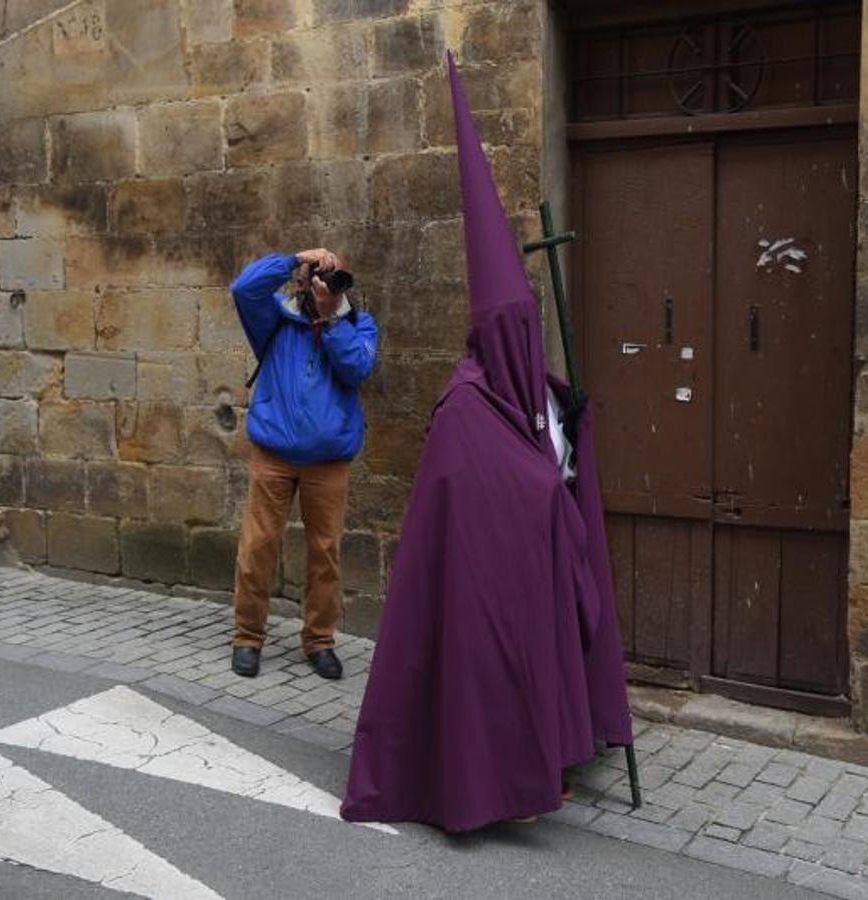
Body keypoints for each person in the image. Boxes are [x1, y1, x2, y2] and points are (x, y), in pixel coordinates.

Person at [340, 54, 631, 832]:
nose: (520, 341)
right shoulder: (463, 405)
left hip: (542, 566)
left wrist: (574, 425)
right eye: (509, 333)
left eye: (526, 330)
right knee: (491, 667)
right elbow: (482, 489)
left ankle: (556, 753)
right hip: (484, 591)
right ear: (485, 333)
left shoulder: (529, 384)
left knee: (554, 648)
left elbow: (548, 451)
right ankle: (485, 783)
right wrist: (540, 487)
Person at [228, 248, 378, 680]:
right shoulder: (275, 319)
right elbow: (243, 288)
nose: (324, 284)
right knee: (258, 546)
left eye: (334, 276)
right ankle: (247, 637)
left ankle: (319, 640)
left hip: (327, 461)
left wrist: (331, 318)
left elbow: (357, 368)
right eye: (318, 276)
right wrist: (294, 258)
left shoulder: (357, 324)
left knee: (325, 553)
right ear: (301, 280)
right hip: (273, 453)